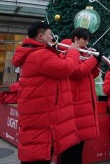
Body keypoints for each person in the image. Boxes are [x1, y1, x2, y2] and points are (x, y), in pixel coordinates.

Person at [12, 21, 80, 164]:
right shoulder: (40, 54)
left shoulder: (38, 52)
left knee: (38, 153)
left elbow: (55, 67)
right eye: (50, 34)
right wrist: (73, 52)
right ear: (41, 36)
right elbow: (65, 69)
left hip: (41, 114)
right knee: (38, 155)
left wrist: (64, 54)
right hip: (41, 118)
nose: (53, 37)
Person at [60, 28, 103, 164]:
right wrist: (92, 61)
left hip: (83, 103)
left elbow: (91, 74)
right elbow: (77, 72)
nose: (87, 43)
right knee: (71, 145)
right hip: (74, 102)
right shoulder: (65, 50)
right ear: (76, 39)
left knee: (79, 145)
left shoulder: (83, 52)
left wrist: (96, 61)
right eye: (85, 39)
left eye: (88, 39)